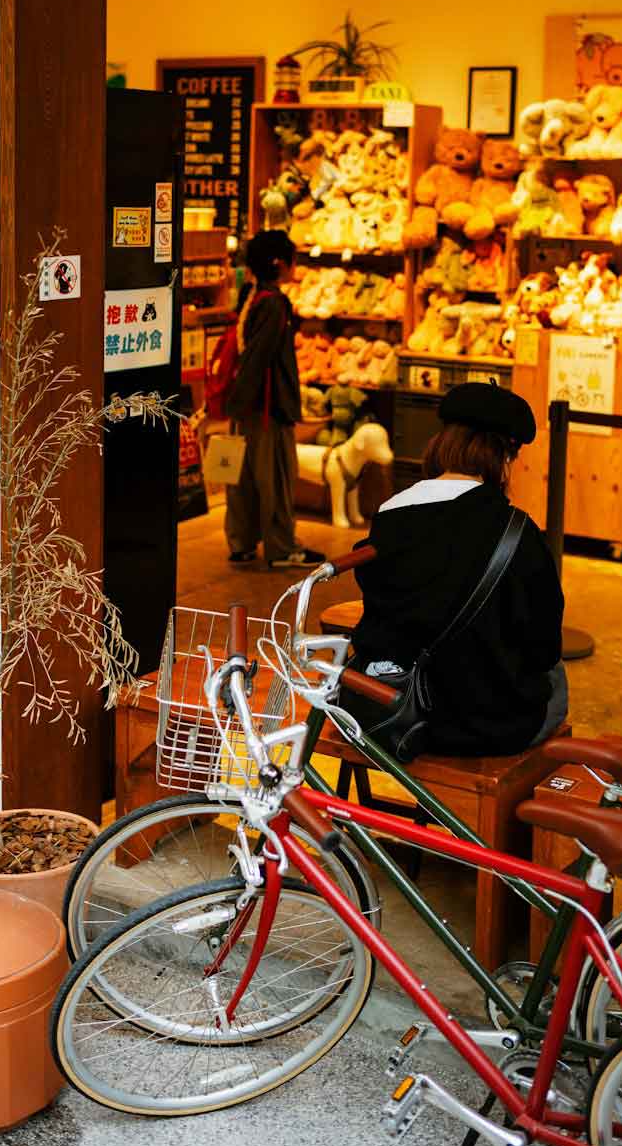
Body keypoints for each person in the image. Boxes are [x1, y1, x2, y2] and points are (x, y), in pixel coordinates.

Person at [350, 382, 567, 755]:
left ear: (441, 443)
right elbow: (544, 648)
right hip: (490, 726)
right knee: (556, 679)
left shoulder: (389, 515)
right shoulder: (518, 532)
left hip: (398, 713)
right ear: (503, 456)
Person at [225, 231, 325, 570]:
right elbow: (261, 356)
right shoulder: (274, 303)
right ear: (280, 263)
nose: (295, 266)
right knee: (277, 478)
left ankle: (241, 542)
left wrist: (235, 406)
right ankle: (282, 548)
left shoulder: (250, 294)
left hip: (246, 404)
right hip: (267, 406)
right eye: (292, 260)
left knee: (243, 478)